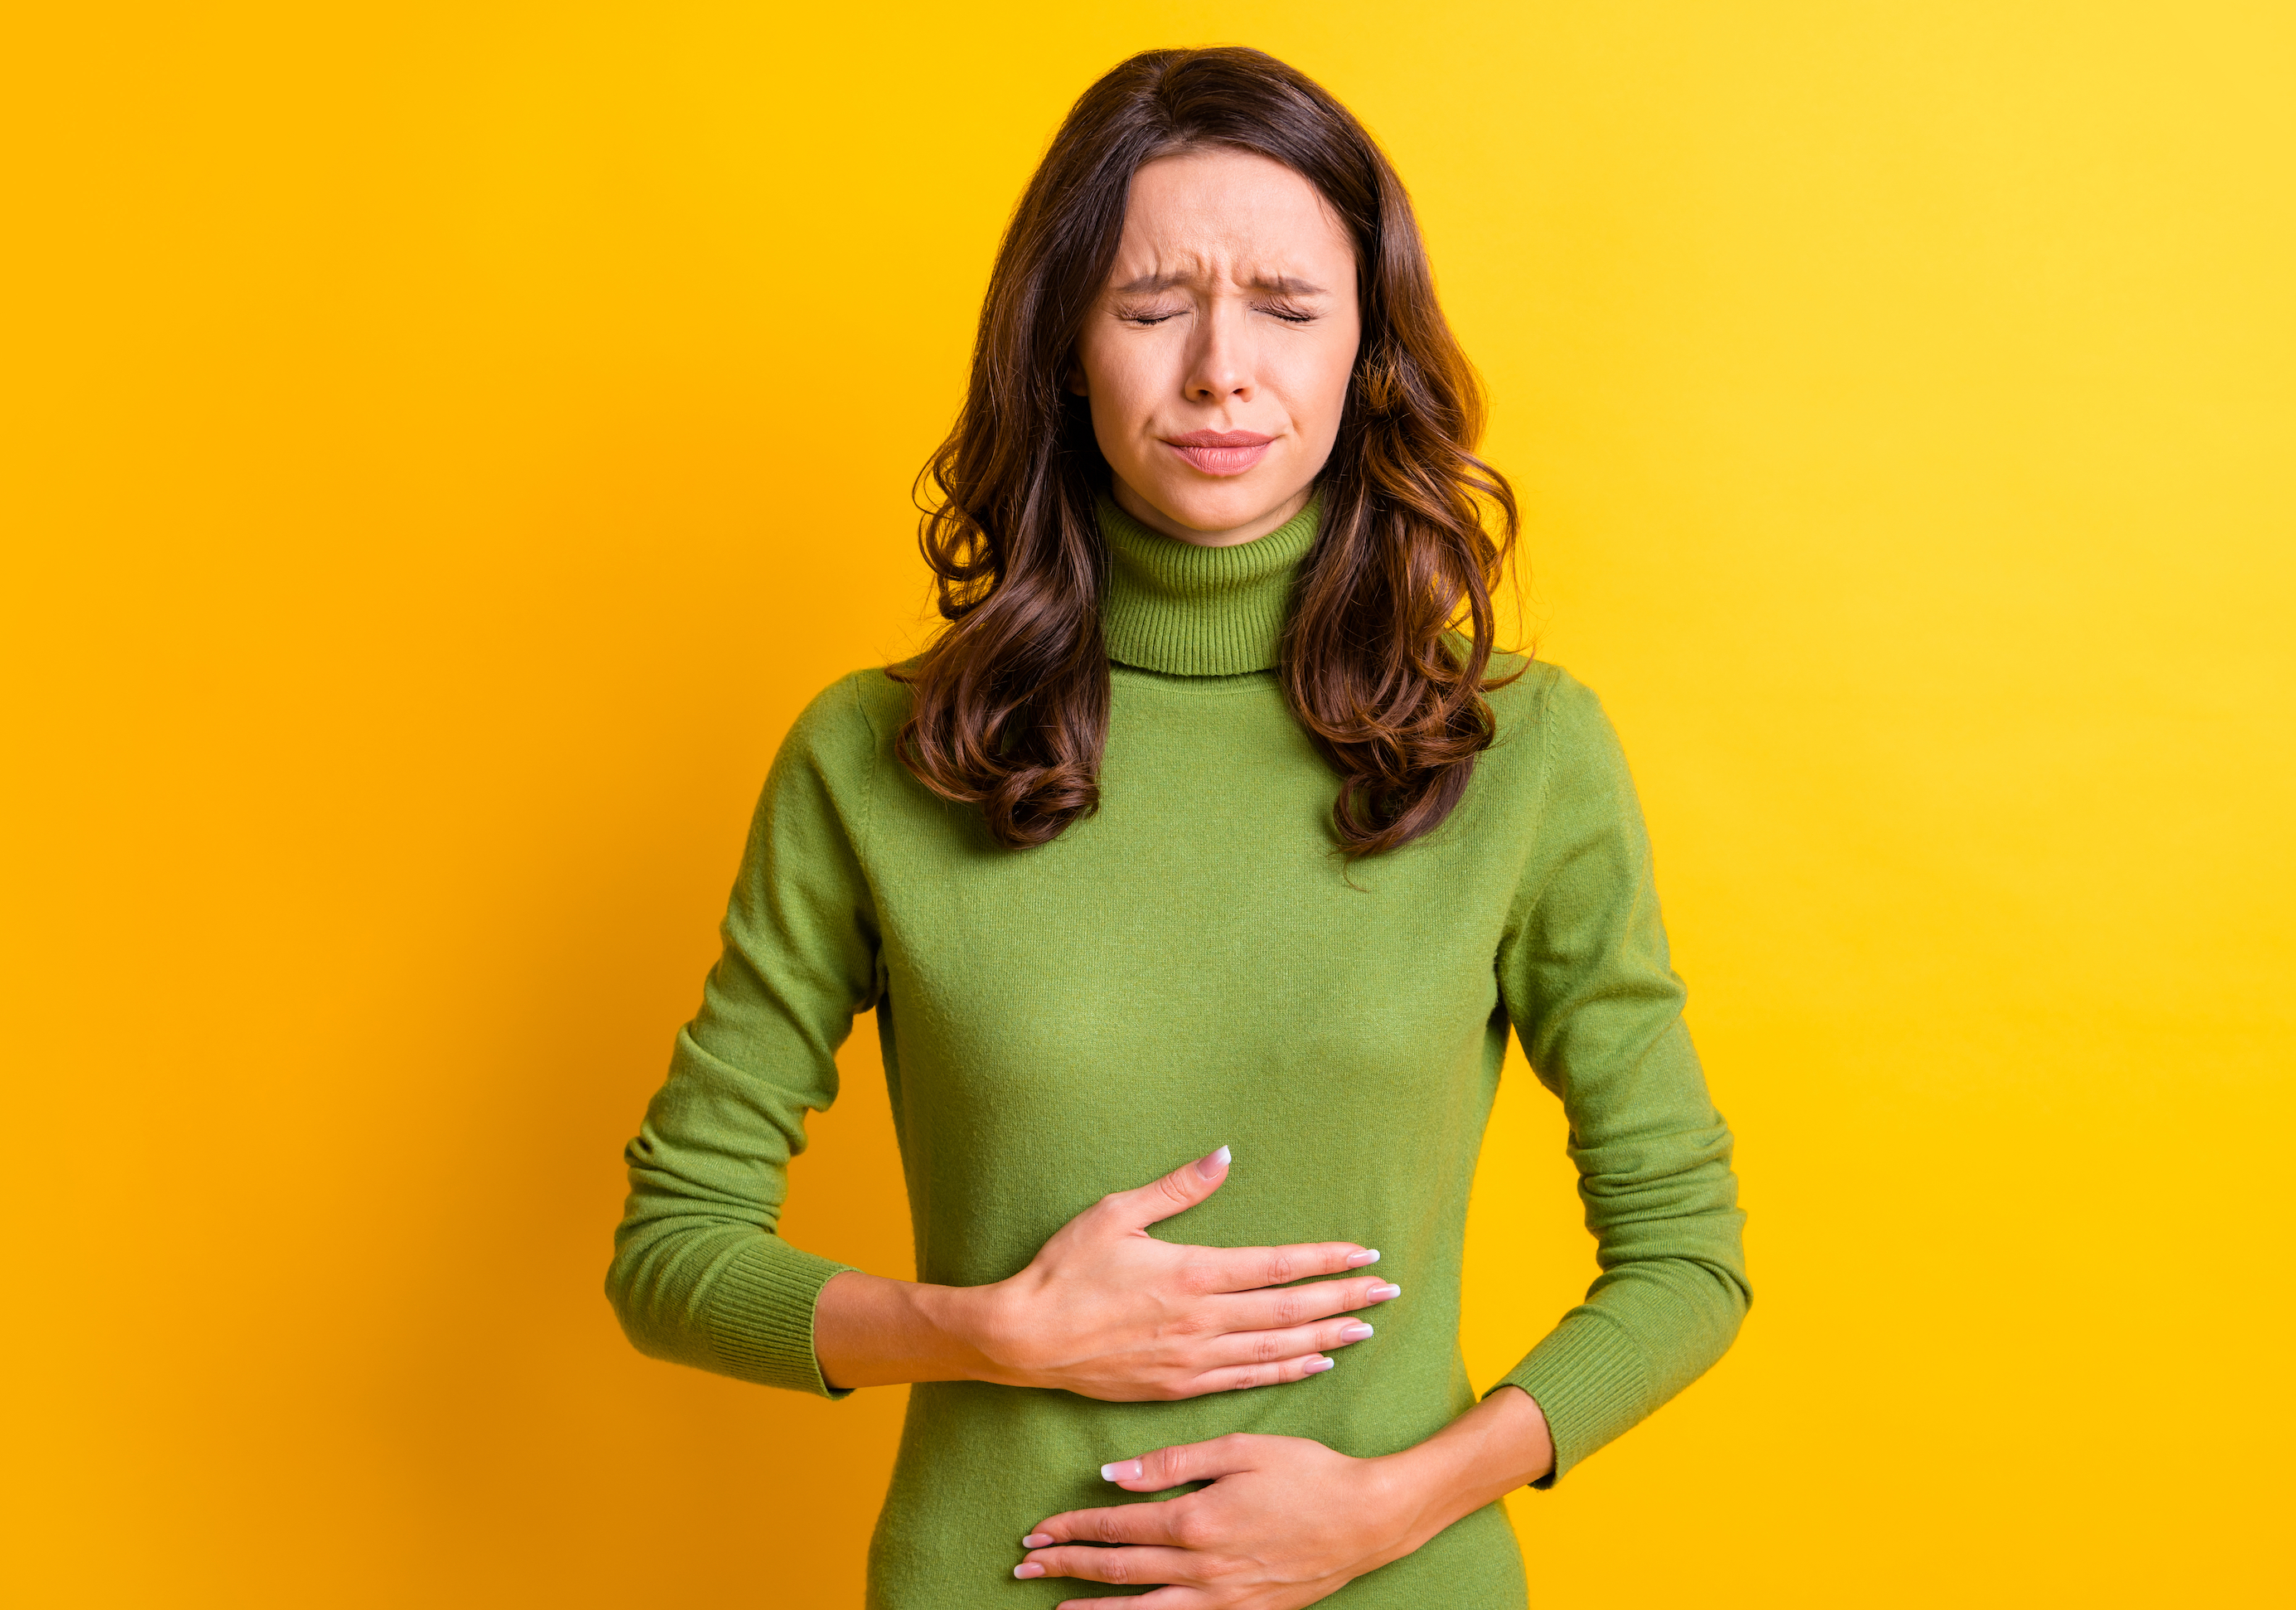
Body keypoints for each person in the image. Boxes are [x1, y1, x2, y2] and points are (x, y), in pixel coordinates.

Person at [607, 44, 1751, 1609]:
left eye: (1288, 309)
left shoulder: (1520, 749)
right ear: (1065, 347)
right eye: (1153, 308)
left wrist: (1390, 1507)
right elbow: (673, 1250)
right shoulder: (878, 755)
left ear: (1369, 354)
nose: (1223, 369)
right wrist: (990, 1329)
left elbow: (1689, 1253)